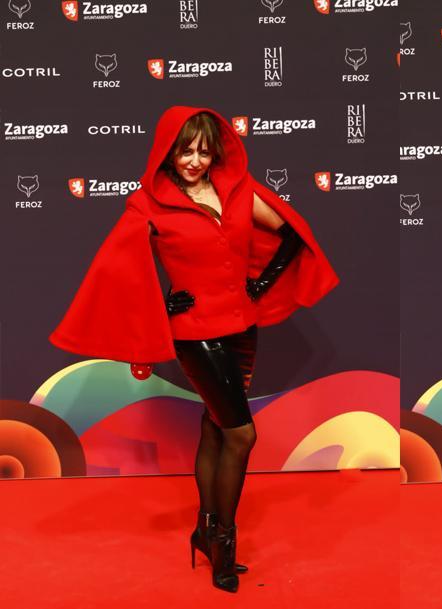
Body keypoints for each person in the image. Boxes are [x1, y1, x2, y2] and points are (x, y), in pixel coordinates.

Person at [50, 106, 338, 591]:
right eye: (186, 150)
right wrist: (160, 310)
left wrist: (260, 283)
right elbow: (118, 272)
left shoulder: (240, 191)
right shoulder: (149, 204)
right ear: (168, 151)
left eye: (204, 151)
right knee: (241, 435)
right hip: (196, 333)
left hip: (242, 327)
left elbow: (291, 234)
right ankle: (224, 541)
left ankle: (205, 532)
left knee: (215, 427)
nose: (195, 160)